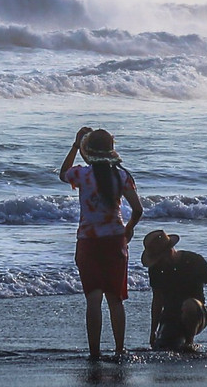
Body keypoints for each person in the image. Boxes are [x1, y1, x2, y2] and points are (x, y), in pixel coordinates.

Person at [60, 126, 143, 360]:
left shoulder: (82, 175)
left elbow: (62, 172)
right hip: (115, 239)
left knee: (93, 299)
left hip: (88, 241)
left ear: (89, 152)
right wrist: (128, 231)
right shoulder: (122, 175)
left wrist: (76, 146)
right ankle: (119, 349)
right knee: (115, 300)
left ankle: (94, 353)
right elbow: (137, 209)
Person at [141, 229, 207, 351]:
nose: (159, 262)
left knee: (189, 305)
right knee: (162, 348)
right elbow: (157, 300)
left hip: (197, 312)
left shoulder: (193, 260)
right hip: (171, 315)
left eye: (160, 258)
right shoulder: (155, 269)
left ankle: (189, 342)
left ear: (169, 251)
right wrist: (153, 330)